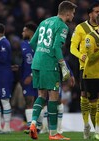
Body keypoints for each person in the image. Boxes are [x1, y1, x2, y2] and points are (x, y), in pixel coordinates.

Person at [28, 1, 77, 140]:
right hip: (50, 65)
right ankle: (53, 133)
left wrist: (40, 54)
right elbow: (56, 47)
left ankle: (32, 124)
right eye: (72, 13)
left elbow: (32, 42)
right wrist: (63, 66)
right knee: (53, 97)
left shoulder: (45, 22)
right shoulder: (62, 26)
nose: (73, 15)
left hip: (36, 63)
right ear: (67, 12)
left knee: (41, 95)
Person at [70, 2, 99, 139]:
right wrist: (81, 56)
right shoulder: (81, 27)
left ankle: (98, 129)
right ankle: (85, 125)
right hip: (86, 67)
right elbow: (72, 48)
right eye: (96, 12)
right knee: (84, 95)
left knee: (96, 100)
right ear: (90, 14)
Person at [20, 23, 39, 132]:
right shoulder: (23, 44)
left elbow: (40, 60)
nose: (23, 33)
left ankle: (41, 126)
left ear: (29, 32)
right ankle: (30, 126)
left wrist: (32, 75)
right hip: (26, 78)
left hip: (37, 76)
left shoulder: (38, 43)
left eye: (24, 31)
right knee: (29, 100)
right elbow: (23, 61)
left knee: (39, 100)